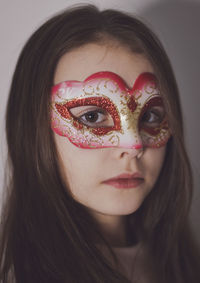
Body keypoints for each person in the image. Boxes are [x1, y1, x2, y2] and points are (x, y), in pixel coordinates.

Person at [0, 4, 199, 283]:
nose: (133, 145)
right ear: (32, 129)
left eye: (151, 114)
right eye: (92, 116)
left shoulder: (182, 263)